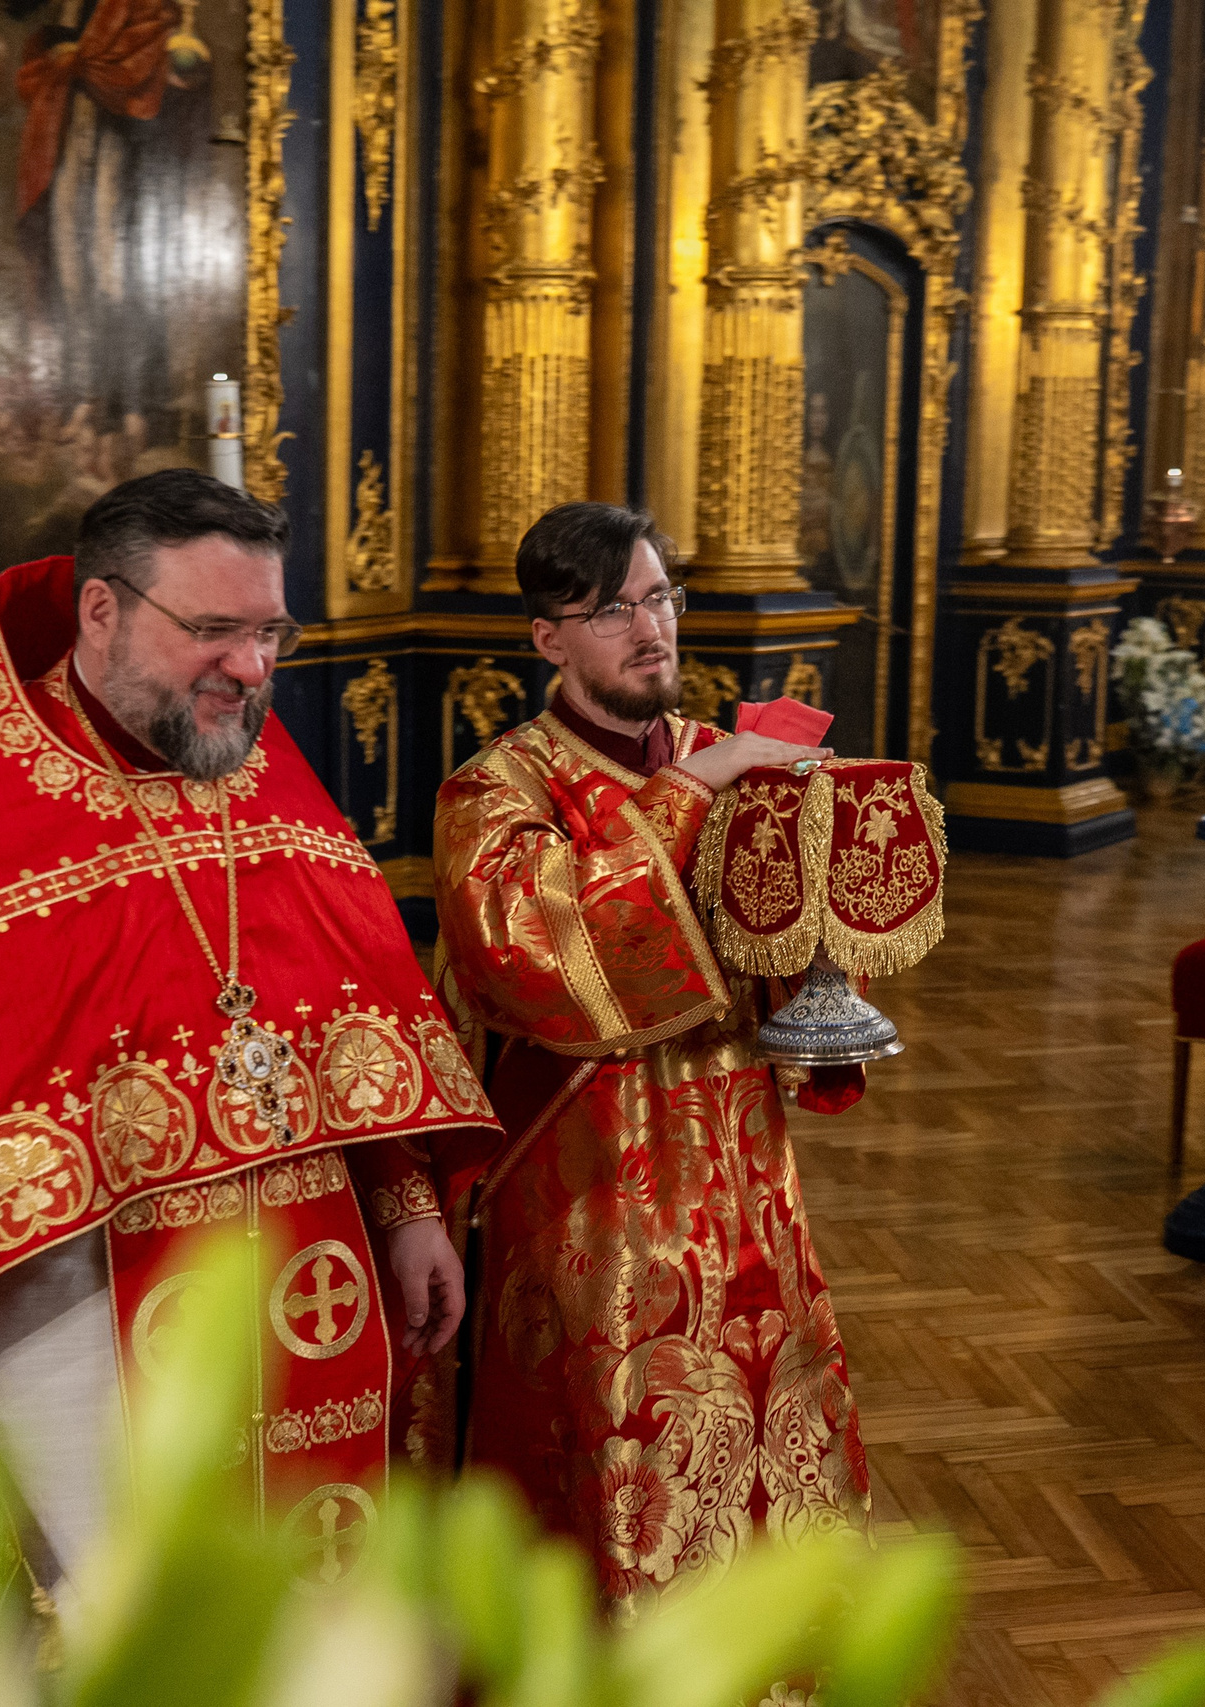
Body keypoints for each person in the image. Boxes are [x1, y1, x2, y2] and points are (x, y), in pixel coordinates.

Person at [0, 470, 493, 1665]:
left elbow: (350, 1013)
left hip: (309, 1274)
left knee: (322, 1602)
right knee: (133, 1627)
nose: (253, 671)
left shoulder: (244, 760)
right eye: (212, 630)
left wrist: (408, 1203)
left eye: (270, 632)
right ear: (100, 612)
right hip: (71, 1303)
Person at [429, 501, 872, 1612]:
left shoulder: (719, 758)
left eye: (662, 599)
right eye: (615, 609)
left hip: (742, 1174)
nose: (651, 630)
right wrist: (698, 792)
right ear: (548, 637)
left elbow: (778, 939)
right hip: (589, 1193)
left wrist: (819, 921)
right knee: (618, 1449)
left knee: (771, 1424)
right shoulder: (497, 790)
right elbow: (541, 956)